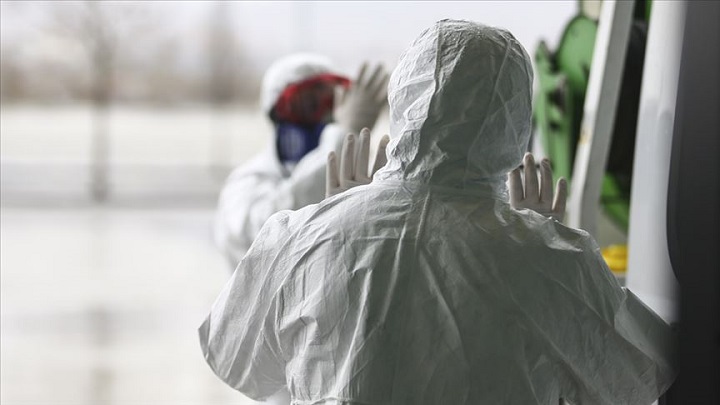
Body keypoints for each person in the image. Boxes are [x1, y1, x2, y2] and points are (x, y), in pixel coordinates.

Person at [199, 20, 675, 404]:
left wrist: (334, 224)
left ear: (405, 98)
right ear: (513, 116)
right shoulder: (552, 259)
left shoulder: (299, 236)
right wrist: (549, 248)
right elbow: (640, 378)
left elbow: (239, 360)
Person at [214, 53, 389, 266]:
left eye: (331, 103)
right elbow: (268, 236)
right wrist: (344, 135)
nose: (325, 117)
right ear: (276, 114)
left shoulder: (357, 179)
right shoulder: (246, 183)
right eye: (309, 104)